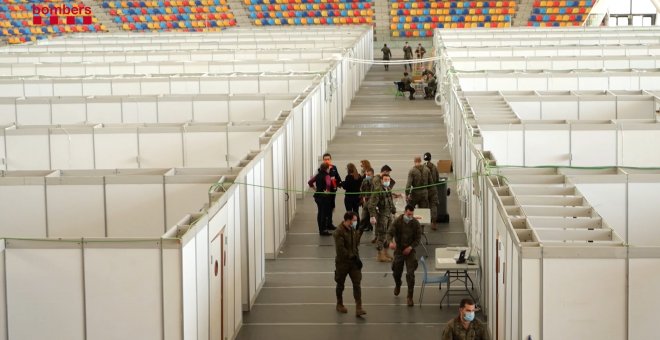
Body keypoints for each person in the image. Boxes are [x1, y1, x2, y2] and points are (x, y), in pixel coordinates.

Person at [387, 204, 422, 306]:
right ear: (404, 212)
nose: (410, 217)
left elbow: (418, 239)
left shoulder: (415, 223)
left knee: (410, 274)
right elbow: (389, 233)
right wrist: (390, 242)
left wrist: (410, 247)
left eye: (411, 215)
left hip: (410, 251)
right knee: (396, 271)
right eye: (408, 214)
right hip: (399, 250)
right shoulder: (398, 221)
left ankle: (409, 297)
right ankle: (398, 284)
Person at [333, 211, 367, 317]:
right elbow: (340, 249)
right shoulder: (338, 232)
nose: (355, 222)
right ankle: (339, 303)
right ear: (348, 220)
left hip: (353, 263)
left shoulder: (352, 229)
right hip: (342, 263)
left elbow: (354, 245)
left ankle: (359, 307)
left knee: (357, 283)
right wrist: (352, 256)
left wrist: (357, 258)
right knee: (340, 284)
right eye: (354, 220)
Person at [368, 173, 396, 262]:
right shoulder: (378, 191)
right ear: (381, 180)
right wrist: (372, 216)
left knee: (389, 234)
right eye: (385, 180)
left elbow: (391, 201)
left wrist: (394, 210)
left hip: (389, 215)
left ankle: (386, 252)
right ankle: (380, 255)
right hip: (382, 215)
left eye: (388, 180)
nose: (387, 181)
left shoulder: (388, 189)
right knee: (382, 235)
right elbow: (371, 205)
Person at [308, 163, 334, 236]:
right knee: (324, 213)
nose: (329, 170)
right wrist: (328, 191)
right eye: (328, 168)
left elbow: (310, 182)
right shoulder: (327, 176)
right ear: (326, 169)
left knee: (320, 212)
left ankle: (321, 229)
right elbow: (328, 184)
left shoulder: (317, 175)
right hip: (324, 197)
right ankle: (323, 230)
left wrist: (315, 189)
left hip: (317, 196)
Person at [323, 153, 342, 228]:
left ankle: (329, 222)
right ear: (323, 160)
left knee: (332, 206)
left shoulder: (334, 167)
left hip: (333, 191)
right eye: (325, 159)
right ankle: (326, 223)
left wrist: (340, 184)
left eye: (328, 159)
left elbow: (337, 177)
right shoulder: (321, 169)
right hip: (326, 192)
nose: (327, 161)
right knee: (326, 208)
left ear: (330, 159)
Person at [423, 152, 440, 230]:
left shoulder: (422, 167)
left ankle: (422, 223)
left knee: (423, 206)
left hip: (424, 190)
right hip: (433, 189)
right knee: (433, 206)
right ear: (430, 158)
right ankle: (434, 223)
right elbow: (437, 179)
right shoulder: (434, 167)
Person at [359, 167, 375, 234]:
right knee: (364, 215)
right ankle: (362, 229)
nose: (367, 174)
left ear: (372, 173)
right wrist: (362, 197)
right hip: (366, 199)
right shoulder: (364, 180)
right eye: (366, 173)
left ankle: (370, 227)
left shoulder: (375, 180)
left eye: (369, 173)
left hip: (373, 200)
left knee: (372, 215)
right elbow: (361, 189)